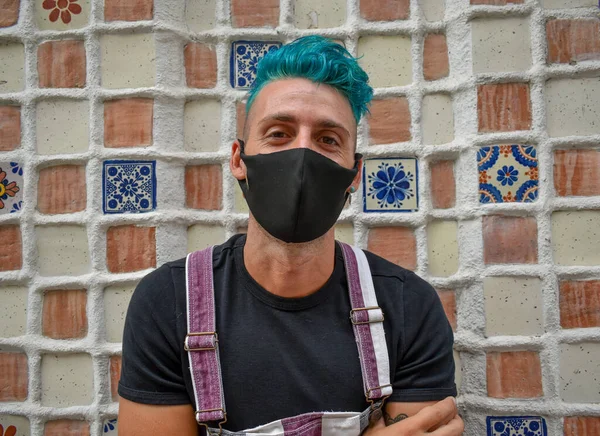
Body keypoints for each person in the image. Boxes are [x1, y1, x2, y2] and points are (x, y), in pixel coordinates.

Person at [117, 35, 464, 436]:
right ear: (239, 160)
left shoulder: (407, 307)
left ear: (355, 174)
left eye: (328, 140)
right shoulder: (167, 304)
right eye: (279, 133)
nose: (304, 156)